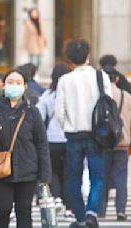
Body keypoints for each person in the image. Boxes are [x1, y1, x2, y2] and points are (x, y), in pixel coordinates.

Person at [0, 68, 51, 228]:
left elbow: (42, 144)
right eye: (10, 82)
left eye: (18, 83)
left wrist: (44, 176)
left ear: (24, 87)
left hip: (27, 171)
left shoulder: (32, 111)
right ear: (3, 86)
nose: (14, 85)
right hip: (0, 170)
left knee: (24, 212)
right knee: (2, 210)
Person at [55, 39, 112, 228]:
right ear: (88, 55)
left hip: (73, 135)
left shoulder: (65, 80)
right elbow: (109, 104)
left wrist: (68, 125)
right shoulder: (100, 76)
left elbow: (59, 112)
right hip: (97, 134)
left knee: (73, 177)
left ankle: (80, 218)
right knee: (97, 176)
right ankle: (91, 212)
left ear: (70, 58)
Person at [37, 63, 73, 218]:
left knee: (54, 171)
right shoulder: (73, 95)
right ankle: (69, 205)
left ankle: (57, 198)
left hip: (51, 139)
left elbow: (40, 117)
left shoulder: (47, 95)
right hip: (71, 137)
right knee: (69, 172)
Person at [98, 66, 131, 221]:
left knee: (102, 176)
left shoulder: (99, 97)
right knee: (121, 178)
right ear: (117, 79)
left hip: (104, 142)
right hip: (122, 142)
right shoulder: (127, 96)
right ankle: (121, 210)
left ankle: (101, 209)